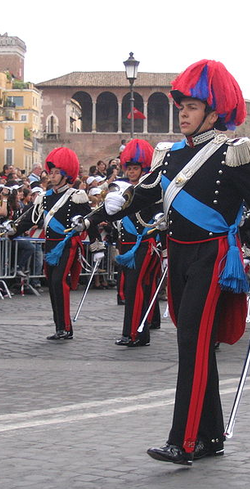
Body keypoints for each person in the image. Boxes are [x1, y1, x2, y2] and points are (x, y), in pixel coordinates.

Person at [85, 60, 250, 465]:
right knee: (194, 344)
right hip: (178, 254)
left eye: (192, 107)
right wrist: (99, 213)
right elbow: (143, 196)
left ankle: (185, 439)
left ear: (213, 112)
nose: (183, 114)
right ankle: (211, 436)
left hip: (212, 255)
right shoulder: (171, 154)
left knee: (192, 344)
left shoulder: (234, 152)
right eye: (182, 107)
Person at [12, 147, 103, 340]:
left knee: (58, 281)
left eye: (56, 173)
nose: (51, 176)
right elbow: (30, 219)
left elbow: (89, 220)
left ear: (65, 175)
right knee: (52, 285)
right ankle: (59, 326)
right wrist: (13, 231)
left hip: (67, 244)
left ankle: (66, 328)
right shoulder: (45, 198)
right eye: (50, 172)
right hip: (50, 245)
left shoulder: (76, 196)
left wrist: (96, 244)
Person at [111, 139, 163, 347]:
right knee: (133, 287)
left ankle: (134, 333)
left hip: (144, 243)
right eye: (129, 168)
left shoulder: (150, 188)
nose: (132, 172)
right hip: (127, 244)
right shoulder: (124, 189)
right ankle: (137, 332)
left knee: (135, 287)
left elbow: (158, 217)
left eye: (135, 168)